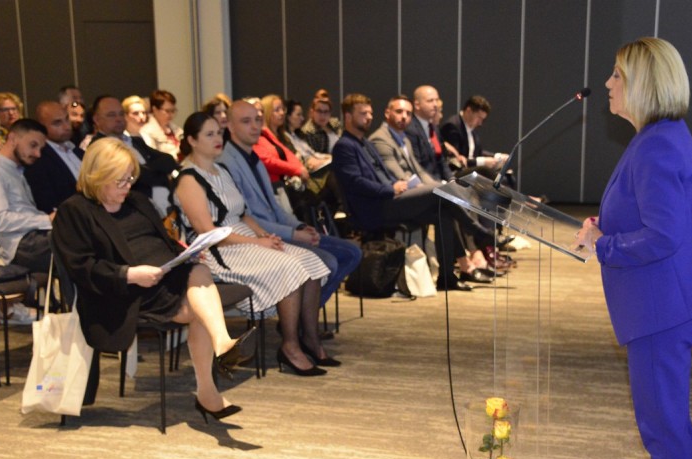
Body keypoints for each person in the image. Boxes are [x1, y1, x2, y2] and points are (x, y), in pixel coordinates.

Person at [575, 37, 692, 459]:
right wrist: (603, 226)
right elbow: (648, 214)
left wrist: (603, 246)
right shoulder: (658, 136)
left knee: (664, 425)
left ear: (643, 84)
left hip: (662, 305)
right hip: (662, 300)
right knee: (660, 420)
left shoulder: (658, 144)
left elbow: (663, 235)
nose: (608, 83)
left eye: (617, 74)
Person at [52, 137, 254, 422]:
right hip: (123, 293)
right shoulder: (74, 211)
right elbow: (82, 267)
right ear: (97, 176)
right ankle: (209, 389)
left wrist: (185, 254)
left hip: (165, 276)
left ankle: (219, 352)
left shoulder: (137, 201)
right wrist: (130, 275)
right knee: (203, 305)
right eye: (120, 180)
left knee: (199, 273)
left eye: (130, 178)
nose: (127, 186)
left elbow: (162, 241)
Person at [174, 112, 335, 376]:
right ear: (192, 140)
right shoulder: (188, 179)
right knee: (289, 267)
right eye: (209, 134)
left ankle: (310, 338)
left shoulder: (221, 170)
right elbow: (207, 232)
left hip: (244, 237)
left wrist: (264, 236)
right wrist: (257, 241)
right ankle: (290, 347)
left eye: (219, 132)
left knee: (311, 261)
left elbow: (243, 213)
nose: (218, 139)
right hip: (218, 250)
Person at [332, 93, 492, 290]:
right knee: (440, 189)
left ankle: (447, 278)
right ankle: (475, 230)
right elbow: (356, 183)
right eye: (363, 113)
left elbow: (383, 175)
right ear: (348, 116)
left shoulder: (363, 143)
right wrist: (390, 188)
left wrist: (394, 185)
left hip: (386, 199)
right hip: (373, 209)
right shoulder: (344, 146)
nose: (369, 117)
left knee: (443, 212)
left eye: (370, 113)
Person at [219, 100, 361, 310]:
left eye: (257, 120)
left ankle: (303, 316)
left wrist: (300, 227)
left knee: (352, 252)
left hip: (278, 230)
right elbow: (246, 218)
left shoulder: (254, 158)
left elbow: (275, 208)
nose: (255, 126)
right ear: (230, 126)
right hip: (259, 237)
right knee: (327, 262)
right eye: (246, 121)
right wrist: (293, 234)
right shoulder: (226, 163)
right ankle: (299, 319)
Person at [0, 118, 52, 272]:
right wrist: (46, 220)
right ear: (13, 138)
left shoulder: (15, 171)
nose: (37, 154)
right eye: (33, 145)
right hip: (19, 246)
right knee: (78, 245)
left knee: (83, 238)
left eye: (40, 148)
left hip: (32, 240)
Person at [88, 95, 179, 217]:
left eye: (121, 114)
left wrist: (146, 169)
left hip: (162, 202)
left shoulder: (135, 141)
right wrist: (159, 174)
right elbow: (135, 176)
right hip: (133, 207)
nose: (118, 119)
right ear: (97, 119)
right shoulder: (99, 146)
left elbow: (169, 160)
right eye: (111, 115)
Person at [24, 101, 83, 213]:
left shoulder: (78, 151)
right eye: (57, 123)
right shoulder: (38, 160)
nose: (66, 126)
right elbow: (46, 203)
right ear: (41, 127)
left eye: (67, 119)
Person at [440, 95, 507, 178]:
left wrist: (497, 157)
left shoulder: (470, 129)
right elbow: (455, 159)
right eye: (479, 118)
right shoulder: (452, 126)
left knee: (507, 176)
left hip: (468, 170)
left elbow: (478, 151)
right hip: (457, 172)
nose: (480, 123)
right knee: (485, 171)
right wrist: (482, 162)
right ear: (469, 111)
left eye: (482, 119)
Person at [404, 85, 452, 181]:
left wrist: (452, 179)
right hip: (426, 182)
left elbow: (440, 159)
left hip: (439, 180)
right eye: (430, 101)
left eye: (437, 100)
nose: (435, 105)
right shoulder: (410, 129)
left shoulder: (433, 128)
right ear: (417, 105)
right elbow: (417, 166)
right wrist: (439, 183)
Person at [141, 89, 183, 160]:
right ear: (155, 109)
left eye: (173, 111)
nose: (171, 114)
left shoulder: (177, 130)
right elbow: (153, 158)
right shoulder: (147, 132)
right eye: (167, 111)